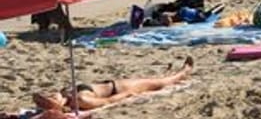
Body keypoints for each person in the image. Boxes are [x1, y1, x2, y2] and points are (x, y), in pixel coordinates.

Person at [31, 57, 195, 118]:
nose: (50, 97)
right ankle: (182, 72)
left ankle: (179, 72)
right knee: (157, 82)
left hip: (99, 87)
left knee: (154, 81)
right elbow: (109, 100)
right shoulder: (82, 100)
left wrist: (59, 99)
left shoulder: (65, 97)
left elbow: (39, 98)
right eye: (50, 100)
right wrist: (129, 94)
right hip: (116, 88)